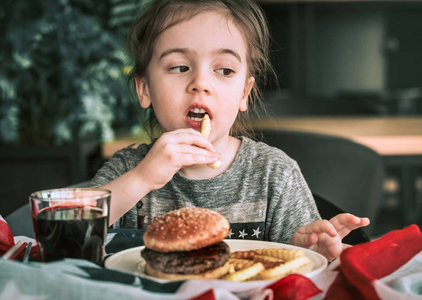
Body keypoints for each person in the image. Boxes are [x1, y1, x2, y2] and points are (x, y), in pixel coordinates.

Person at [90, 0, 369, 261]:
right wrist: (142, 179)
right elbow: (63, 233)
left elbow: (300, 267)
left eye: (224, 71)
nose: (200, 83)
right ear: (145, 89)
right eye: (179, 67)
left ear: (244, 93)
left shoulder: (274, 174)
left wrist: (307, 251)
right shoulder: (131, 169)